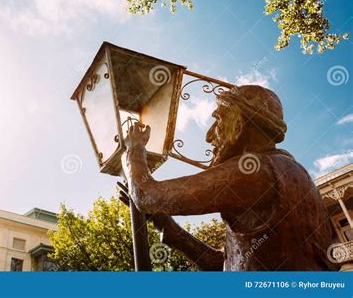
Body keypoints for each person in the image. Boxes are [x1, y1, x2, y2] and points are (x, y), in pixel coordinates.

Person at [119, 85, 336, 271]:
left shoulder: (255, 171)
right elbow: (226, 266)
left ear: (239, 125)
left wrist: (133, 150)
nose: (209, 135)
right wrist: (163, 222)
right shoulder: (290, 174)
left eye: (218, 121)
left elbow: (146, 194)